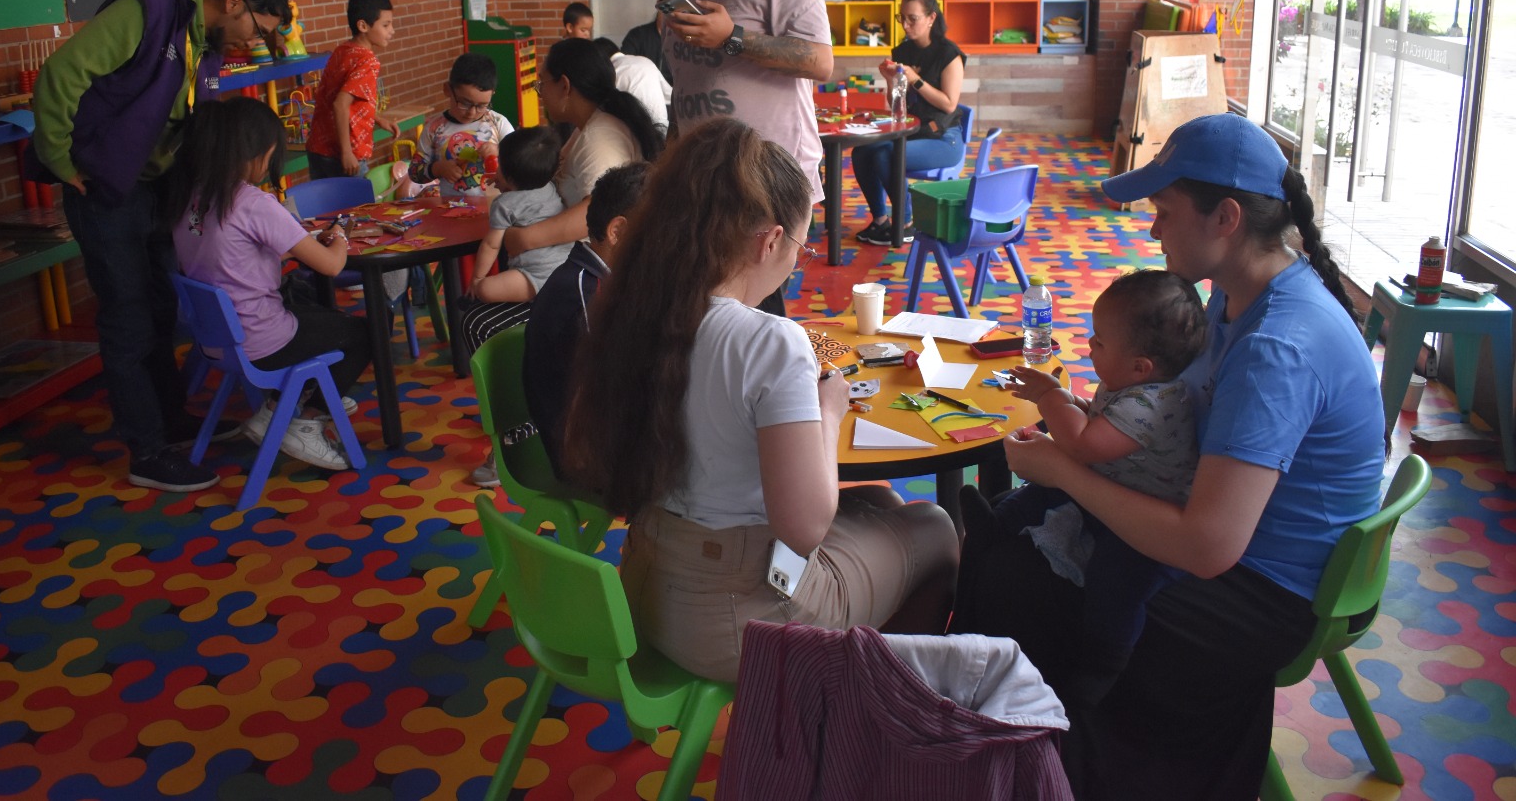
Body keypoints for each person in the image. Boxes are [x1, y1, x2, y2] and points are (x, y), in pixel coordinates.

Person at [949, 113, 1386, 800]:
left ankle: (1033, 761)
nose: (1152, 231)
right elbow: (1165, 405)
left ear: (1227, 218)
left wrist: (1065, 469)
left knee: (1025, 580)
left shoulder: (1278, 345)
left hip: (1273, 588)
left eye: (1164, 212)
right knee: (1015, 536)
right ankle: (996, 749)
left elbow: (1208, 546)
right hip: (1242, 537)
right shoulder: (1239, 296)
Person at [566, 118, 960, 684]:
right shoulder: (770, 340)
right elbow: (804, 528)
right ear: (770, 239)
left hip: (647, 588)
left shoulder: (633, 310)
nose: (797, 260)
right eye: (799, 243)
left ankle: (854, 681)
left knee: (881, 500)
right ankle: (869, 708)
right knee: (938, 527)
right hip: (739, 620)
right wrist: (826, 412)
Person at [29, 0, 290, 493]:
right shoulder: (148, 13)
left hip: (156, 189)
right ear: (235, 2)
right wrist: (62, 161)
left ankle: (170, 420)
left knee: (163, 307)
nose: (251, 42)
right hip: (105, 188)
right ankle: (145, 449)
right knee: (127, 317)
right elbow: (61, 73)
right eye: (256, 29)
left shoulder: (206, 46)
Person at [962, 268, 1207, 711]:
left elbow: (1084, 445)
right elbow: (1097, 422)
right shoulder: (1132, 386)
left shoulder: (1153, 404)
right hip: (1110, 486)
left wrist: (1052, 398)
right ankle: (995, 526)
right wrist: (1069, 402)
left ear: (1141, 366)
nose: (1089, 346)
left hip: (1141, 522)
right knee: (1036, 495)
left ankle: (1103, 661)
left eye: (1098, 342)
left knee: (1116, 580)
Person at [638, 0, 834, 314]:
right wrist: (666, 167)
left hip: (767, 178)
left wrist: (733, 38)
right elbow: (687, 91)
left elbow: (820, 61)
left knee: (753, 309)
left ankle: (779, 387)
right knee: (708, 309)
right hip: (701, 179)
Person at [167, 97, 368, 472]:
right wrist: (341, 232)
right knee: (362, 331)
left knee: (314, 315)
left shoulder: (191, 198)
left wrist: (282, 253)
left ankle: (281, 406)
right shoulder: (251, 202)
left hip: (219, 340)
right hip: (262, 340)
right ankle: (304, 419)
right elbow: (330, 265)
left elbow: (225, 258)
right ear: (252, 153)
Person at [462, 37, 664, 356]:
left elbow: (595, 210)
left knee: (479, 322)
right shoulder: (589, 126)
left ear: (565, 86)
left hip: (594, 280)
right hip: (570, 263)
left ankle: (532, 399)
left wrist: (526, 238)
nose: (540, 96)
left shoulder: (601, 137)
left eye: (542, 85)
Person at [523, 161, 650, 474]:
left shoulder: (607, 280)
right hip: (587, 460)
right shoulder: (584, 294)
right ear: (617, 231)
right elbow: (616, 394)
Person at [853, 0, 967, 247]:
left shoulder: (949, 54)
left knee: (886, 153)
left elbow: (949, 105)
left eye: (912, 18)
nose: (905, 24)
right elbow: (898, 106)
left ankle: (905, 224)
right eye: (901, 17)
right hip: (912, 132)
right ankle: (881, 222)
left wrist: (916, 80)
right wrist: (890, 81)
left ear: (931, 18)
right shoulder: (902, 52)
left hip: (943, 139)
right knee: (862, 151)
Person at [306, 0, 402, 179]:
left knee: (327, 209)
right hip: (343, 155)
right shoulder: (367, 61)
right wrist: (347, 152)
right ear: (363, 26)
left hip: (318, 149)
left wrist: (377, 118)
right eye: (385, 25)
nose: (392, 31)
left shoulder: (342, 50)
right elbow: (340, 104)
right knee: (359, 208)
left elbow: (344, 99)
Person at [468, 126, 570, 304]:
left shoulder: (504, 204)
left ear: (509, 177)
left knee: (485, 289)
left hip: (534, 276)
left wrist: (477, 279)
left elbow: (491, 246)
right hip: (566, 267)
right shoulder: (551, 186)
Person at [409, 54, 514, 193]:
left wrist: (500, 151)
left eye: (482, 105)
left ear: (492, 94)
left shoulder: (498, 123)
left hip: (495, 207)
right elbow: (414, 172)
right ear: (447, 90)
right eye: (464, 103)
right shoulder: (434, 128)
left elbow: (523, 163)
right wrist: (437, 169)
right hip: (452, 209)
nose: (471, 112)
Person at [592, 36, 669, 131]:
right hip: (664, 129)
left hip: (638, 133)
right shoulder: (645, 61)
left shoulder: (613, 72)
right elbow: (669, 95)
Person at [621, 0, 676, 86]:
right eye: (668, 5)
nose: (671, 12)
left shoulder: (688, 40)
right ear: (658, 4)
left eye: (677, 8)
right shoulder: (637, 36)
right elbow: (625, 68)